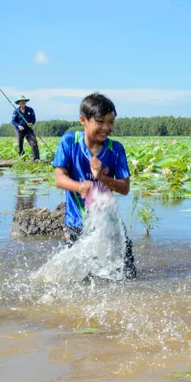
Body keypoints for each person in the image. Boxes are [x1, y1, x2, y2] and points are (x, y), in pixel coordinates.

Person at [52, 92, 136, 279]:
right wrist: (81, 187)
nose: (106, 128)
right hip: (76, 224)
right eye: (100, 122)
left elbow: (124, 188)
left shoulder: (116, 149)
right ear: (83, 120)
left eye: (111, 122)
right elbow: (59, 178)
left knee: (126, 276)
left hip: (110, 225)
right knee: (79, 279)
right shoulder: (69, 142)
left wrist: (102, 177)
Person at [12, 95, 40, 162]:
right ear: (19, 103)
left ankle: (36, 158)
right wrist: (18, 126)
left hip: (28, 129)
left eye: (24, 101)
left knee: (34, 142)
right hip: (19, 129)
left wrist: (31, 123)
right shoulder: (16, 111)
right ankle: (22, 158)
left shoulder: (30, 110)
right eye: (21, 101)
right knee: (19, 144)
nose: (23, 102)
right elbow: (13, 121)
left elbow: (34, 119)